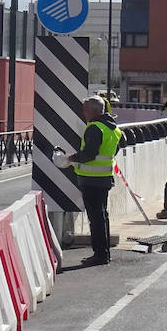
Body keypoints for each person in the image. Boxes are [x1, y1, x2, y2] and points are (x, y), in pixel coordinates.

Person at [70, 95, 122, 266]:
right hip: (104, 178)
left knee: (96, 218)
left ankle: (100, 255)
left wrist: (70, 159)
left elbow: (89, 154)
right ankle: (104, 253)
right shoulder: (113, 129)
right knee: (102, 216)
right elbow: (115, 149)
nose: (83, 113)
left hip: (91, 180)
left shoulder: (94, 128)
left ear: (92, 110)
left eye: (85, 109)